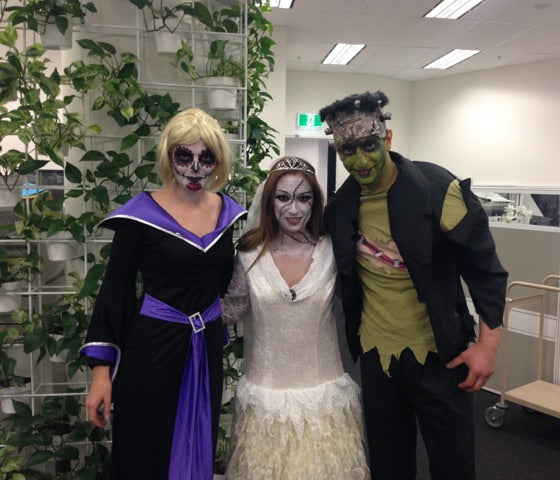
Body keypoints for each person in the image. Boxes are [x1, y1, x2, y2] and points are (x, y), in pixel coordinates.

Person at [319, 91, 508, 480]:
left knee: (453, 465)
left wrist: (488, 346)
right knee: (388, 465)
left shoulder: (439, 189)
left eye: (369, 145)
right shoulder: (341, 207)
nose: (361, 160)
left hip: (440, 356)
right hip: (377, 359)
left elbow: (486, 270)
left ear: (387, 138)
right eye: (348, 150)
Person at [80, 108, 246, 480]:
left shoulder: (227, 214)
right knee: (145, 453)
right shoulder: (141, 216)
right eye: (184, 156)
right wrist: (101, 374)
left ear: (219, 160)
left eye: (206, 157)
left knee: (197, 445)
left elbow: (223, 284)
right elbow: (117, 289)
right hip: (152, 352)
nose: (195, 168)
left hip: (203, 353)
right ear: (169, 157)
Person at [221, 156, 370, 480]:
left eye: (304, 198)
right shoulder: (248, 255)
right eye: (283, 198)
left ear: (315, 203)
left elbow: (365, 299)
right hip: (266, 403)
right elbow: (231, 311)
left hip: (322, 404)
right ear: (269, 200)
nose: (294, 209)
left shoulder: (333, 252)